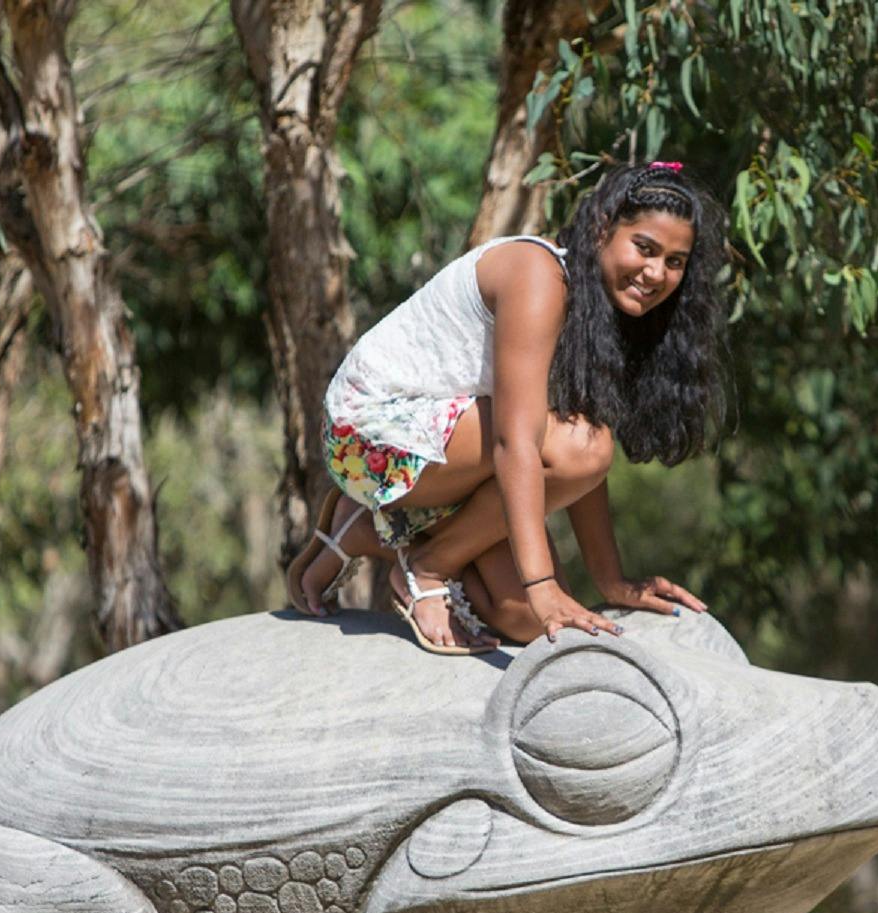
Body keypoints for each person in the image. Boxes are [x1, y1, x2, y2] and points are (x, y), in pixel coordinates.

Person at [287, 162, 726, 654]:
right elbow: (521, 442)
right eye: (644, 248)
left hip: (447, 442)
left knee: (523, 623)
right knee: (583, 450)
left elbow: (575, 464)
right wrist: (542, 586)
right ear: (603, 227)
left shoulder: (604, 311)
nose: (656, 272)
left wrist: (612, 583)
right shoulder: (538, 276)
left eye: (675, 261)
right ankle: (426, 566)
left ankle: (364, 528)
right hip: (366, 433)